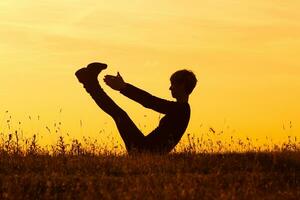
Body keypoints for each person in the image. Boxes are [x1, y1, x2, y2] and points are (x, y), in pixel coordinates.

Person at [75, 62, 197, 154]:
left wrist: (123, 87)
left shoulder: (181, 109)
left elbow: (150, 101)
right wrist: (123, 87)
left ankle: (89, 82)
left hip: (143, 150)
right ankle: (89, 81)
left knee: (119, 114)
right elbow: (150, 101)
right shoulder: (181, 109)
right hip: (144, 149)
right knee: (119, 114)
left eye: (173, 85)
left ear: (182, 85)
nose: (170, 88)